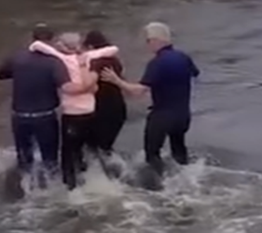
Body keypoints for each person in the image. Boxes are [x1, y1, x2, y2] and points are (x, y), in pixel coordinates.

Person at [0, 25, 96, 187]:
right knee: (50, 160)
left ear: (32, 38)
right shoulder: (54, 62)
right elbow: (67, 87)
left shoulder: (17, 57)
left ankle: (26, 189)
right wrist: (89, 83)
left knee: (24, 157)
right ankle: (51, 191)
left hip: (20, 116)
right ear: (51, 41)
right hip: (45, 117)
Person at [101, 22, 199, 177]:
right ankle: (186, 181)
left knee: (152, 154)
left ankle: (162, 185)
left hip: (161, 116)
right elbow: (195, 74)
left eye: (148, 41)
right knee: (179, 150)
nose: (147, 45)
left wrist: (116, 81)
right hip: (183, 114)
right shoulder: (184, 57)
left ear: (156, 40)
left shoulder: (157, 63)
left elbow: (138, 92)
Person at [28, 32, 118, 189]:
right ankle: (107, 180)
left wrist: (60, 49)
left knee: (69, 154)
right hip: (91, 113)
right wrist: (82, 55)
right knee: (93, 150)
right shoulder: (89, 57)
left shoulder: (61, 59)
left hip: (72, 116)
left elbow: (36, 46)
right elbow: (113, 49)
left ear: (63, 46)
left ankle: (71, 188)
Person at [84, 30, 127, 155]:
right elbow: (123, 78)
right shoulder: (115, 61)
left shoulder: (94, 63)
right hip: (119, 108)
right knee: (106, 147)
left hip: (101, 110)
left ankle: (96, 173)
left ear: (91, 47)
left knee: (92, 148)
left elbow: (89, 86)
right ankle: (117, 171)